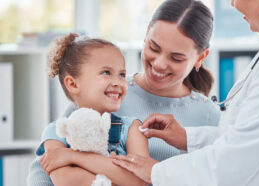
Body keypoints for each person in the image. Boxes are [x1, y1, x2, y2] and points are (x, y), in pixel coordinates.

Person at [27, 0, 221, 185]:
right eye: (154, 47)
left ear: (200, 57)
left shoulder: (210, 117)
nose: (160, 64)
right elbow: (45, 168)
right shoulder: (104, 95)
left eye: (176, 58)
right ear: (146, 34)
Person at [112, 0, 259, 185]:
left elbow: (244, 159)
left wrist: (156, 173)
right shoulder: (109, 94)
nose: (233, 4)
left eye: (176, 58)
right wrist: (188, 138)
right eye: (154, 47)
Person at [28, 33, 149, 186]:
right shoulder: (56, 132)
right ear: (72, 84)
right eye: (106, 72)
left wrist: (73, 157)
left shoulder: (133, 128)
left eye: (122, 74)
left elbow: (139, 180)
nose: (118, 82)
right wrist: (119, 177)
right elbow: (66, 180)